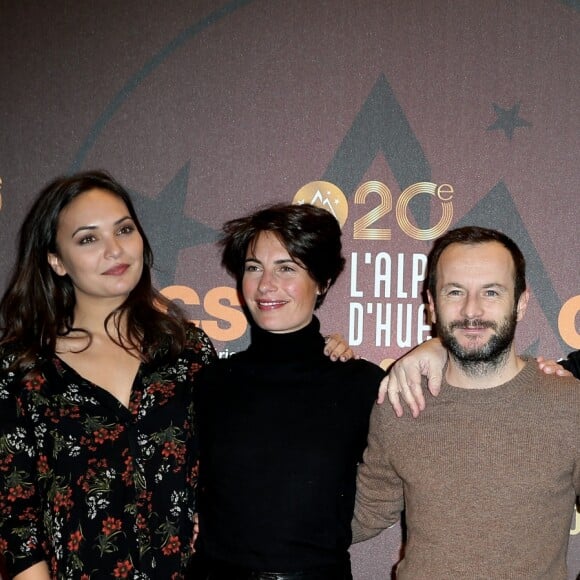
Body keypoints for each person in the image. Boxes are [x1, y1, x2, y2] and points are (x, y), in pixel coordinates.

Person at [0, 172, 355, 580]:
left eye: (124, 229)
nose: (114, 250)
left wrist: (324, 351)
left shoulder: (185, 351)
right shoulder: (23, 368)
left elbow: (248, 454)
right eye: (88, 239)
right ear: (56, 259)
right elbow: (17, 521)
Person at [352, 226, 580, 579]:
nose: (472, 311)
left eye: (491, 292)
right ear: (431, 304)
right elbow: (361, 515)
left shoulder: (570, 404)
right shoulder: (399, 402)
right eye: (455, 292)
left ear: (520, 304)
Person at [193, 204, 386, 580]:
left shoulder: (361, 384)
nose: (266, 285)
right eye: (253, 268)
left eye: (286, 267)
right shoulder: (210, 383)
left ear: (324, 281)